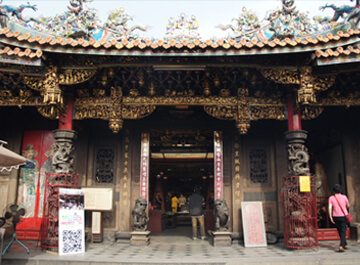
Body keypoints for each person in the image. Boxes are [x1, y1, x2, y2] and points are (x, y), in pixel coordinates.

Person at [328, 184, 350, 252]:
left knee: (340, 230)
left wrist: (330, 216)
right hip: (343, 215)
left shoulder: (331, 198)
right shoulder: (344, 197)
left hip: (335, 216)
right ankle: (341, 246)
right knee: (343, 230)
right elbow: (348, 205)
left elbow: (329, 207)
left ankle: (344, 243)